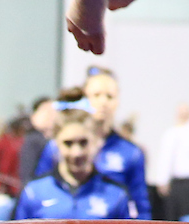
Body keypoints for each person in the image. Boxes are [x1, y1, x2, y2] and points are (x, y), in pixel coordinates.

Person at [33, 68, 151, 219]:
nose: (103, 102)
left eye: (109, 96)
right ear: (84, 99)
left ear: (118, 101)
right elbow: (41, 190)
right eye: (96, 95)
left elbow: (140, 207)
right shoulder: (55, 147)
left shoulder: (131, 153)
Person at [15, 108, 129, 220]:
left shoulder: (116, 195)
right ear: (55, 144)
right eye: (68, 143)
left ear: (97, 142)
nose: (76, 153)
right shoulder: (34, 192)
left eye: (83, 142)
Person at [155, 104, 189, 221]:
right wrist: (162, 180)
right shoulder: (171, 133)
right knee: (171, 216)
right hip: (175, 182)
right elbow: (165, 158)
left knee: (188, 216)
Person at [19, 98, 57, 190]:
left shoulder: (56, 140)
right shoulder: (33, 140)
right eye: (45, 111)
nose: (51, 115)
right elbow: (27, 175)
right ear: (34, 116)